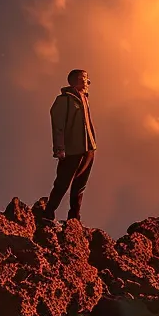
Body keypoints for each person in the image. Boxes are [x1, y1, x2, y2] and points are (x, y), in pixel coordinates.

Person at [44, 69, 97, 221]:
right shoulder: (64, 100)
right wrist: (59, 148)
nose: (88, 82)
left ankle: (74, 218)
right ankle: (48, 214)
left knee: (80, 185)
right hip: (71, 150)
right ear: (76, 80)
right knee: (62, 182)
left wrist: (92, 146)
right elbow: (58, 126)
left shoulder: (84, 99)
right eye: (85, 79)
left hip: (88, 149)